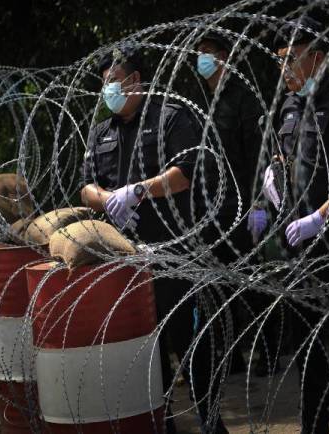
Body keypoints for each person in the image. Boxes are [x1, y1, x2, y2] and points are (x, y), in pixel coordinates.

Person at [81, 47, 229, 433]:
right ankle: (161, 422)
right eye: (104, 84)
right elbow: (86, 187)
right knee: (145, 347)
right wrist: (108, 199)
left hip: (171, 252)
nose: (108, 90)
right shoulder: (102, 132)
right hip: (124, 257)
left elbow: (187, 171)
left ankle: (210, 418)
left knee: (186, 339)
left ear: (135, 81)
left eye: (113, 82)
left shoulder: (169, 118)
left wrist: (139, 191)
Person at [254, 16, 329, 433]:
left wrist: (320, 217)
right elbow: (284, 157)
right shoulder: (288, 105)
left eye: (292, 59)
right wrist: (273, 177)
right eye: (279, 59)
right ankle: (314, 424)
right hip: (299, 251)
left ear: (318, 58)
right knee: (308, 351)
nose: (283, 68)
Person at [196, 32, 282, 377]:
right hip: (215, 207)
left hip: (246, 206)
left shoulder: (245, 99)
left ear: (225, 57)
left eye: (207, 53)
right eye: (198, 54)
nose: (201, 60)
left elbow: (260, 157)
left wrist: (259, 204)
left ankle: (270, 352)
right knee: (221, 283)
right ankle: (230, 355)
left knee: (256, 281)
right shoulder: (205, 100)